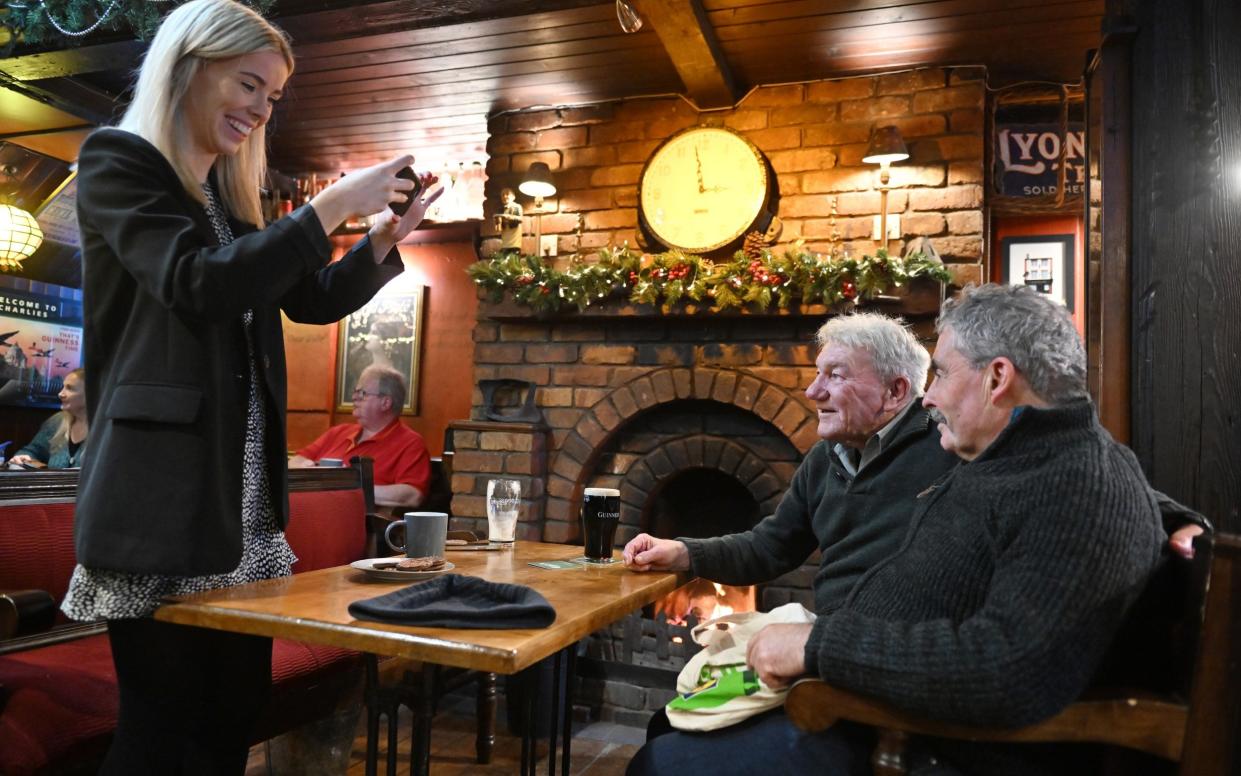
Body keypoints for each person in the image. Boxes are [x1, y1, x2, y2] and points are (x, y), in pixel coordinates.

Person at [60, 0, 443, 772]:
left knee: (231, 719)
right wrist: (332, 202)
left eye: (271, 97)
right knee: (162, 738)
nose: (259, 110)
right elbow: (194, 285)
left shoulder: (230, 207)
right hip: (161, 502)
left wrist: (380, 239)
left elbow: (309, 299)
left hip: (240, 509)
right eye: (247, 84)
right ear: (190, 66)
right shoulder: (118, 161)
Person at [627, 284, 1169, 775]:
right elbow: (774, 543)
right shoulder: (1012, 459)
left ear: (997, 377)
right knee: (666, 733)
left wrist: (817, 645)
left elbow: (1006, 670)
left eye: (941, 374)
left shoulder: (1066, 478)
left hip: (909, 735)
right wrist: (687, 554)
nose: (929, 398)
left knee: (660, 763)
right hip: (868, 698)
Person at [289, 364, 430, 508]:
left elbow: (413, 495)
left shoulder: (410, 443)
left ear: (385, 402)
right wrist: (311, 472)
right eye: (355, 391)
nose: (354, 397)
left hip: (354, 522)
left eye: (362, 393)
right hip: (304, 511)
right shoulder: (337, 432)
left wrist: (350, 486)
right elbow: (293, 462)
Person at [9, 367, 88, 469]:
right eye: (63, 387)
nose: (60, 394)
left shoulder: (107, 429)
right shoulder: (57, 421)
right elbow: (32, 451)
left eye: (70, 388)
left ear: (90, 394)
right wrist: (23, 458)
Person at [495, 187, 523, 254]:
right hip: (505, 244)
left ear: (513, 197)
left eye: (507, 194)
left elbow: (520, 219)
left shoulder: (516, 207)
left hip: (514, 243)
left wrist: (508, 217)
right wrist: (497, 221)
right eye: (503, 195)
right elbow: (498, 229)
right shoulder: (501, 210)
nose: (505, 196)